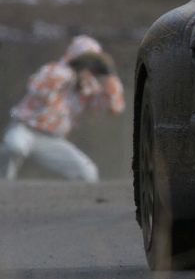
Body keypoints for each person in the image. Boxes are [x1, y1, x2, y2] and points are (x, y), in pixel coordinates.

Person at [1, 35, 124, 182]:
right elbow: (37, 90)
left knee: (88, 173)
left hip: (52, 140)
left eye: (93, 62)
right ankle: (4, 187)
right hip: (25, 129)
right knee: (15, 146)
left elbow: (114, 108)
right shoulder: (53, 70)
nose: (88, 66)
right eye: (86, 60)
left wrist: (109, 76)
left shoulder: (89, 86)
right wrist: (72, 71)